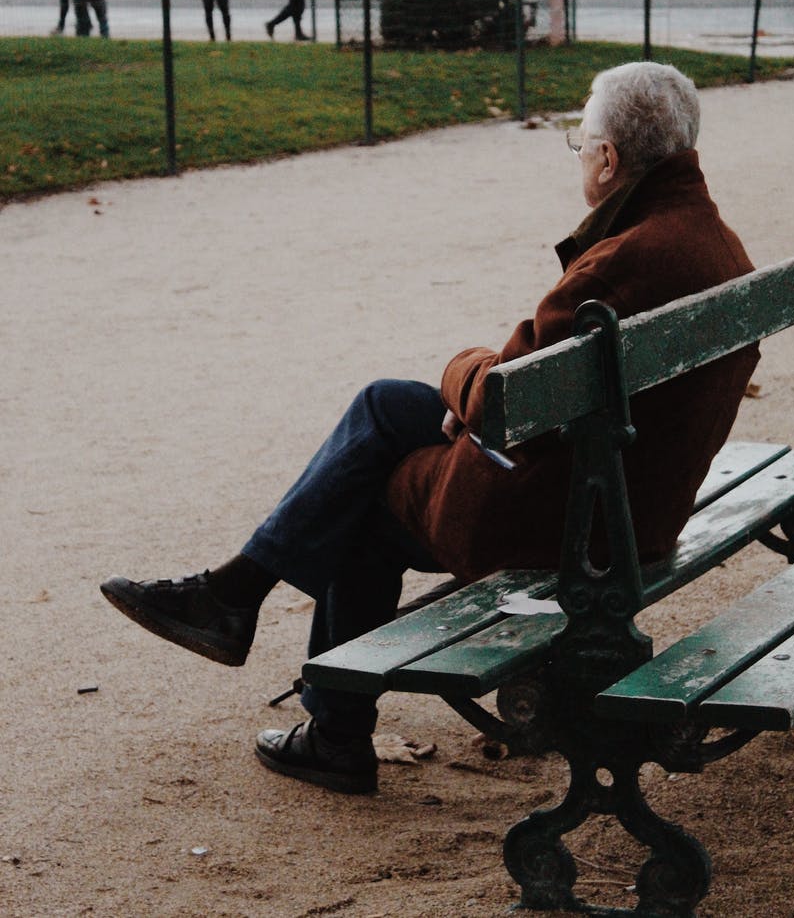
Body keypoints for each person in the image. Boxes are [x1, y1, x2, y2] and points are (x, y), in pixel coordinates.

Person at [100, 62, 759, 796]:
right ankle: (234, 596)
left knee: (364, 492)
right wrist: (476, 399)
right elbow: (531, 406)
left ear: (607, 160)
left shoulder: (618, 267)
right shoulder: (710, 241)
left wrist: (461, 372)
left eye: (582, 139)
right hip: (630, 500)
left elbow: (505, 402)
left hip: (571, 526)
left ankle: (323, 717)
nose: (579, 153)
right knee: (385, 406)